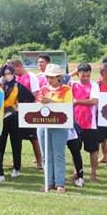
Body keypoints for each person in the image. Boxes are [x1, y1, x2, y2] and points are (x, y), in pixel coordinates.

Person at [35, 63, 71, 193]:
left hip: (60, 126)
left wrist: (51, 102)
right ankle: (48, 182)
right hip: (43, 125)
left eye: (52, 77)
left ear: (59, 77)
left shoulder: (66, 89)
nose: (49, 79)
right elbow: (36, 106)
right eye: (48, 77)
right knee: (46, 155)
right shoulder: (43, 89)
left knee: (58, 154)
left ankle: (60, 183)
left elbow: (68, 107)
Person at [11, 59, 44, 171]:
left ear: (19, 66)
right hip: (16, 113)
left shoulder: (31, 76)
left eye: (14, 70)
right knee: (16, 138)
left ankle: (39, 162)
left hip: (29, 112)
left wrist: (24, 106)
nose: (14, 73)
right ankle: (16, 162)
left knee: (33, 138)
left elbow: (35, 95)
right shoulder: (15, 77)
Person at [71, 63, 101, 183]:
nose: (85, 78)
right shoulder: (72, 84)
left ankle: (93, 173)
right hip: (75, 123)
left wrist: (77, 101)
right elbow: (60, 78)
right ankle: (76, 172)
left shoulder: (94, 85)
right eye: (83, 75)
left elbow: (94, 101)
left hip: (90, 124)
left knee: (93, 150)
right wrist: (73, 72)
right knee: (75, 149)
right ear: (78, 74)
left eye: (88, 76)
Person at [0, 64, 27, 178]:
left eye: (9, 73)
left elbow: (30, 98)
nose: (7, 76)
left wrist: (19, 107)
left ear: (14, 74)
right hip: (1, 118)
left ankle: (16, 168)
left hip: (15, 118)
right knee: (0, 143)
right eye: (5, 74)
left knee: (16, 144)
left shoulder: (18, 86)